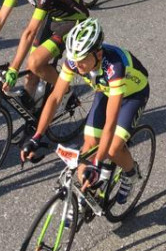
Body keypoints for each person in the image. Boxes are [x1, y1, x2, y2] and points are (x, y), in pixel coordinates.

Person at [21, 18, 149, 205]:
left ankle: (131, 173)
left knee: (113, 149)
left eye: (81, 61)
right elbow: (55, 97)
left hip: (133, 94)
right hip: (105, 91)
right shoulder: (74, 61)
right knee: (88, 145)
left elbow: (110, 123)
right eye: (74, 60)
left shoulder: (115, 67)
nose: (77, 66)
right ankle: (84, 196)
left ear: (97, 54)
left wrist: (97, 164)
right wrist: (37, 136)